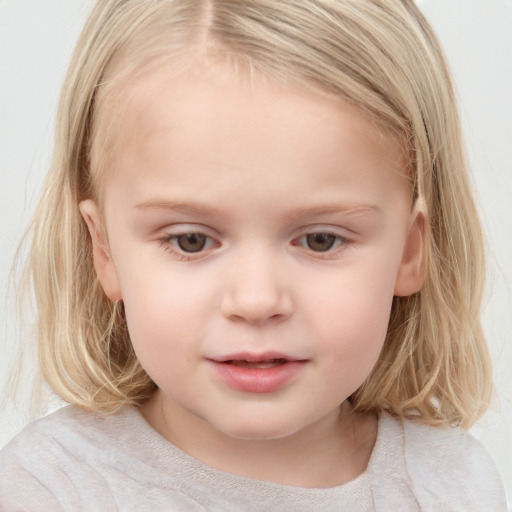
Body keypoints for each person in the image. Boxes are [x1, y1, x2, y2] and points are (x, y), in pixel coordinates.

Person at [0, 0, 507, 510]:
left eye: (320, 240)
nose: (257, 300)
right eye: (191, 240)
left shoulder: (452, 487)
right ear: (103, 250)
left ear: (409, 251)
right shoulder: (52, 489)